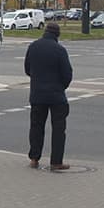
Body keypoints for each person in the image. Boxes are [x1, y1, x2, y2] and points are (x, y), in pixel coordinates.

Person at [24, 21, 73, 171]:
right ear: (57, 34)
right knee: (58, 129)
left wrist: (37, 80)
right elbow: (67, 75)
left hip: (37, 95)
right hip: (56, 96)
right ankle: (56, 162)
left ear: (45, 31)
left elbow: (27, 69)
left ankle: (34, 158)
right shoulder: (60, 50)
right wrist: (60, 87)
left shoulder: (33, 47)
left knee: (36, 127)